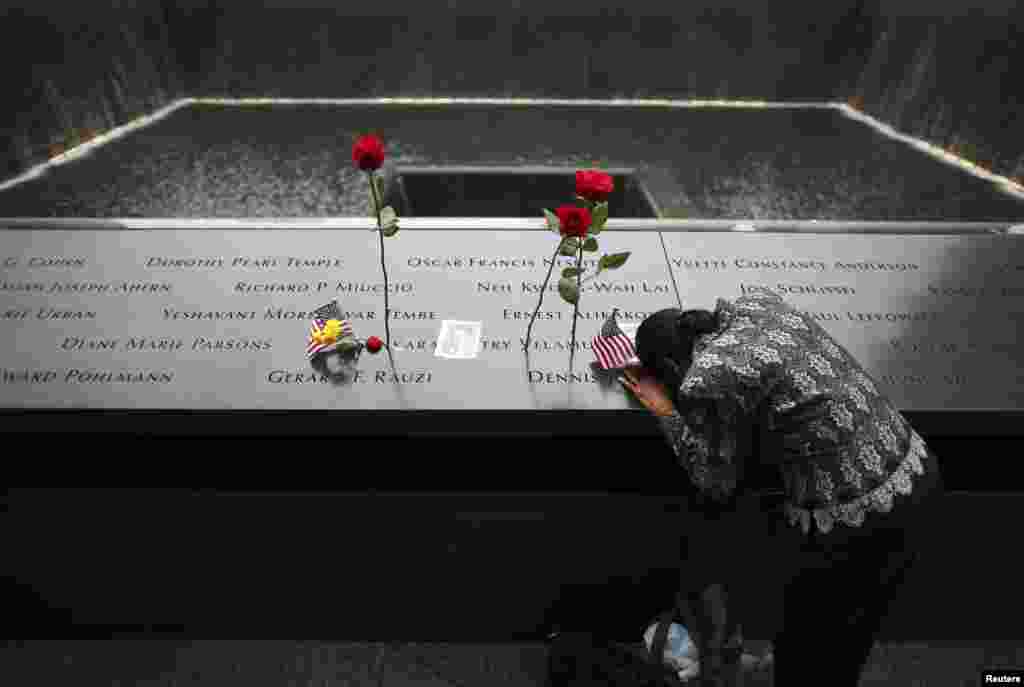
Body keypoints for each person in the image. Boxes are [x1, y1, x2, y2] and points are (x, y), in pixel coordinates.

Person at [619, 286, 944, 686]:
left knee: (805, 644)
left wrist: (666, 410)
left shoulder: (706, 376)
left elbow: (714, 481)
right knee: (853, 632)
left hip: (856, 518)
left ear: (671, 365)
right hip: (913, 468)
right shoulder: (756, 304)